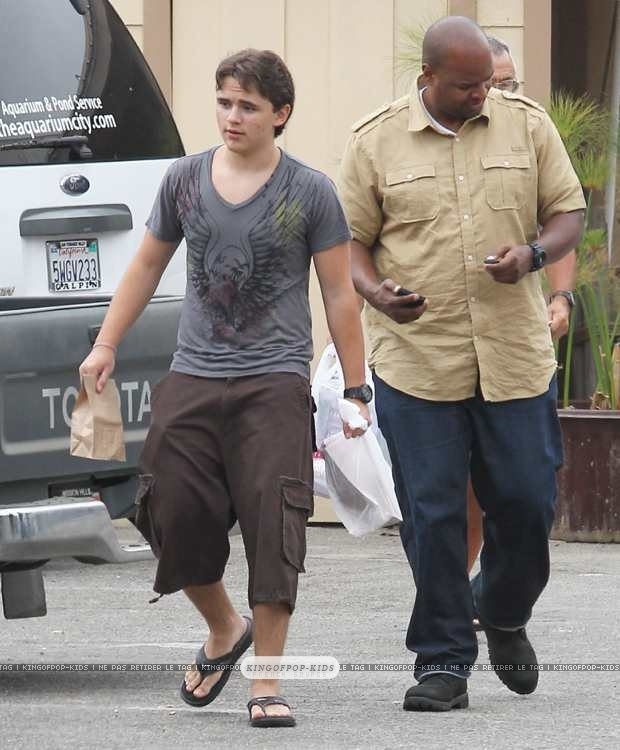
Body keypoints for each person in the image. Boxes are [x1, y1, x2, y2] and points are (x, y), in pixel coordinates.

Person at [78, 48, 370, 728]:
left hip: (275, 380)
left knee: (275, 523)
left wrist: (356, 390)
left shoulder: (311, 191)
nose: (232, 117)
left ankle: (265, 680)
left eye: (248, 106)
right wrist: (105, 343)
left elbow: (339, 294)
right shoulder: (184, 179)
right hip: (194, 373)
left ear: (281, 114)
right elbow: (146, 265)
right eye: (224, 102)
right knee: (168, 509)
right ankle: (223, 628)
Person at [337, 16, 585, 711]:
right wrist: (378, 293)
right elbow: (348, 244)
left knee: (528, 501)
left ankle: (502, 610)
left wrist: (533, 255)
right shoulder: (375, 140)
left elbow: (568, 212)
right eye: (467, 86)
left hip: (513, 355)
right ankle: (442, 660)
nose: (482, 95)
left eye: (486, 84)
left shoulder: (527, 126)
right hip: (418, 358)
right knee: (433, 512)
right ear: (428, 78)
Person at [465, 35, 578, 575]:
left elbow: (561, 221)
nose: (501, 92)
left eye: (509, 82)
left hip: (516, 341)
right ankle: (455, 592)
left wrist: (561, 296)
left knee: (521, 487)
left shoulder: (532, 131)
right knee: (456, 489)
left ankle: (492, 591)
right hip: (443, 348)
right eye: (491, 82)